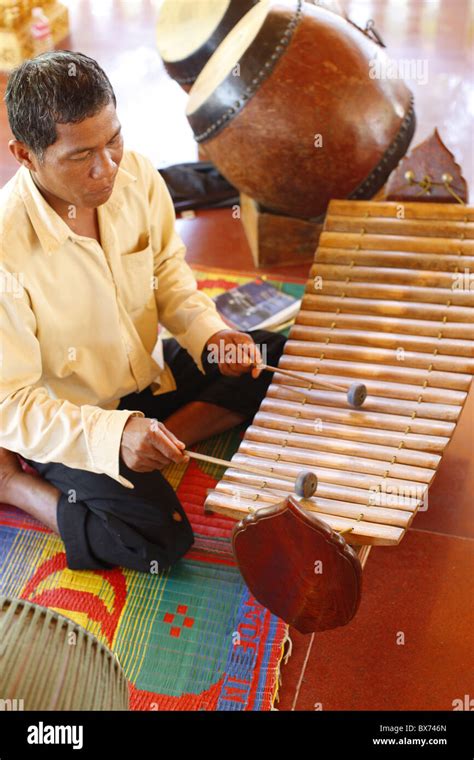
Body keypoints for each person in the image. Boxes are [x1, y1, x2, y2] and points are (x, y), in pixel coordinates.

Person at [0, 51, 286, 573]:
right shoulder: (5, 249)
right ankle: (13, 483)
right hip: (72, 423)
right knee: (155, 538)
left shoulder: (135, 176)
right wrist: (113, 436)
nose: (107, 168)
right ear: (25, 155)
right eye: (80, 155)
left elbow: (170, 278)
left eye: (113, 139)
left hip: (144, 379)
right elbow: (12, 405)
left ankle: (160, 438)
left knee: (269, 356)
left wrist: (210, 334)